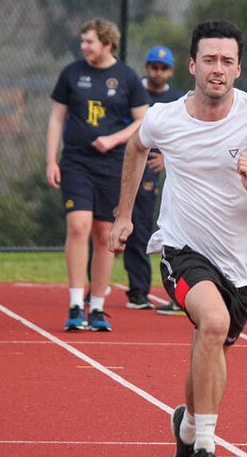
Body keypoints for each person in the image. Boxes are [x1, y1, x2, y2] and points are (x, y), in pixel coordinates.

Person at [109, 20, 247, 457]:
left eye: (226, 61)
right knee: (214, 323)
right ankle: (205, 445)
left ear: (238, 69)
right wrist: (123, 215)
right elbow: (136, 148)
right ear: (192, 66)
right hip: (182, 249)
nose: (217, 68)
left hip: (244, 267)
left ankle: (186, 428)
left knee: (212, 339)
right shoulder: (165, 118)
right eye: (209, 60)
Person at [46, 18, 150, 331]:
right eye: (83, 42)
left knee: (105, 234)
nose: (84, 47)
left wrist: (115, 139)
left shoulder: (127, 77)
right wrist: (51, 160)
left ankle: (98, 307)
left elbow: (143, 121)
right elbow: (56, 119)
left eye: (90, 41)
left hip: (112, 164)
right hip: (76, 161)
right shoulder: (72, 73)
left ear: (107, 44)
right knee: (78, 226)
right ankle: (77, 303)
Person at [125, 45, 184, 312]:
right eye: (153, 67)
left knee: (163, 228)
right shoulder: (136, 93)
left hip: (167, 172)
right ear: (147, 68)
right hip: (134, 165)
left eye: (163, 68)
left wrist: (167, 159)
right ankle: (138, 290)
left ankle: (178, 290)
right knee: (130, 226)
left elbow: (186, 136)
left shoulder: (177, 99)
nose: (157, 72)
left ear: (170, 71)